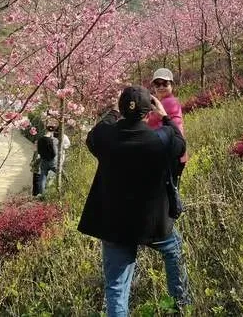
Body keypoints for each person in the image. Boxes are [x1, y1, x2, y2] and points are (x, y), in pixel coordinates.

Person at [78, 86, 190, 316]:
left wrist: (112, 113)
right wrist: (165, 116)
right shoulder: (159, 138)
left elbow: (94, 135)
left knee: (117, 287)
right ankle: (181, 303)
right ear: (148, 112)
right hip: (154, 221)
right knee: (174, 252)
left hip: (115, 225)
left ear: (120, 109)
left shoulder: (105, 138)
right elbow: (180, 143)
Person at [146, 68, 188, 168]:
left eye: (165, 83)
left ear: (172, 85)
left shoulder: (169, 102)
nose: (161, 87)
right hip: (173, 151)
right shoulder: (164, 101)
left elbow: (148, 121)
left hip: (171, 152)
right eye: (157, 84)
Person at [36, 122, 59, 195]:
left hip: (43, 161)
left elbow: (39, 151)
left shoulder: (40, 139)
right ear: (53, 132)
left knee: (42, 178)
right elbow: (55, 152)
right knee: (61, 173)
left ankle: (42, 194)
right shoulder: (53, 140)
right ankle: (69, 185)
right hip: (52, 161)